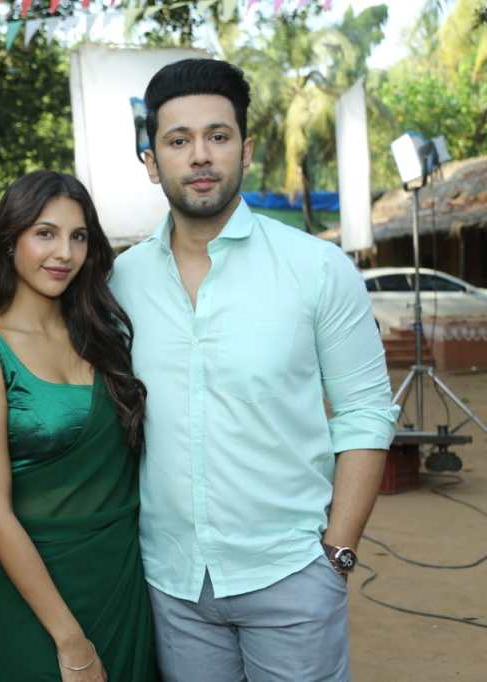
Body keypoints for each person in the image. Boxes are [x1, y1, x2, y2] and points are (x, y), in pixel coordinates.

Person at [110, 58, 399, 681]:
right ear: (152, 161)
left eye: (217, 136)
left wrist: (338, 553)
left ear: (245, 150)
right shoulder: (120, 282)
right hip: (172, 584)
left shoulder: (317, 269)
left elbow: (366, 412)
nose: (200, 156)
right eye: (178, 141)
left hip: (291, 576)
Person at [0, 171, 156, 682]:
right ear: (10, 241)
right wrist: (69, 639)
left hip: (123, 575)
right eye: (45, 233)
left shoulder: (103, 335)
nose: (64, 252)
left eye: (78, 236)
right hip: (34, 592)